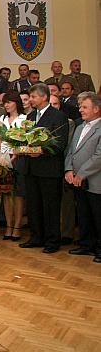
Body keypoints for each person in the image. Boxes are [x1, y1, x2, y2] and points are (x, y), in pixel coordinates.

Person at [19, 84, 69, 254]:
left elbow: (60, 144)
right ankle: (36, 237)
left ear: (44, 97)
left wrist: (41, 151)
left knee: (50, 207)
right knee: (34, 205)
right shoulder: (31, 116)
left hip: (49, 169)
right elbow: (24, 139)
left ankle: (52, 241)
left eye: (33, 97)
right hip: (31, 169)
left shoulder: (58, 116)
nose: (30, 100)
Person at [64, 92, 101, 263]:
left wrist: (82, 174)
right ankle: (86, 244)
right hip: (77, 179)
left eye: (85, 107)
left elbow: (98, 156)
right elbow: (71, 151)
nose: (81, 110)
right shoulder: (79, 127)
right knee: (84, 213)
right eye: (80, 107)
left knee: (97, 214)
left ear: (96, 109)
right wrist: (69, 169)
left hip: (94, 180)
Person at [0, 91, 28, 241]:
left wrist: (14, 157)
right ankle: (8, 226)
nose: (7, 105)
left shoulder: (24, 118)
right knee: (6, 194)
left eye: (9, 102)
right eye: (5, 103)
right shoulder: (3, 118)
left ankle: (17, 227)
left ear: (16, 102)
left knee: (18, 195)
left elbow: (24, 141)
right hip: (4, 159)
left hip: (19, 159)